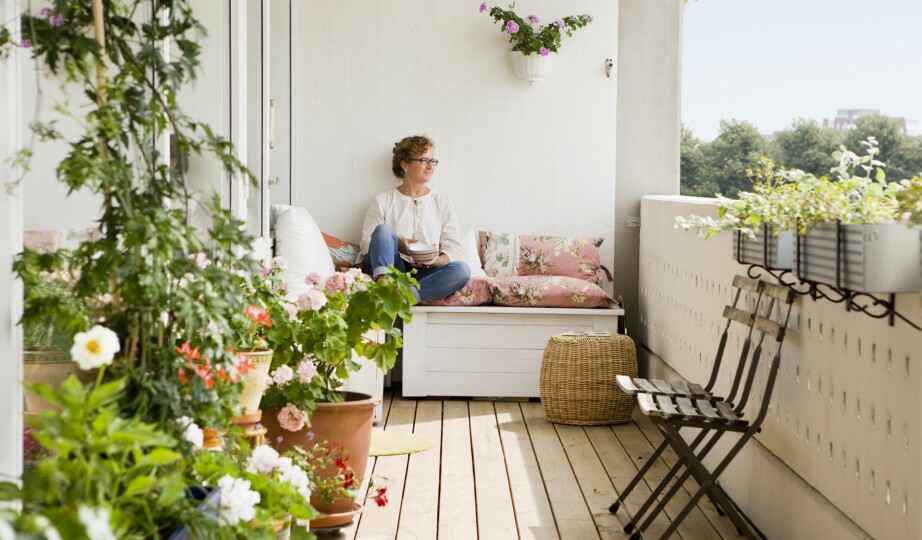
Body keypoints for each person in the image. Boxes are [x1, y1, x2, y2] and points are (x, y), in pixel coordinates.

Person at [359, 135, 470, 302]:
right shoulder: (382, 201)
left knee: (462, 270)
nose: (430, 166)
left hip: (423, 274)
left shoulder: (443, 203)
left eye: (433, 161)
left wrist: (436, 260)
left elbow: (453, 249)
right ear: (405, 164)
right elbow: (366, 245)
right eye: (424, 160)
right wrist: (398, 244)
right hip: (392, 267)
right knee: (383, 230)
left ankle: (404, 296)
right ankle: (384, 287)